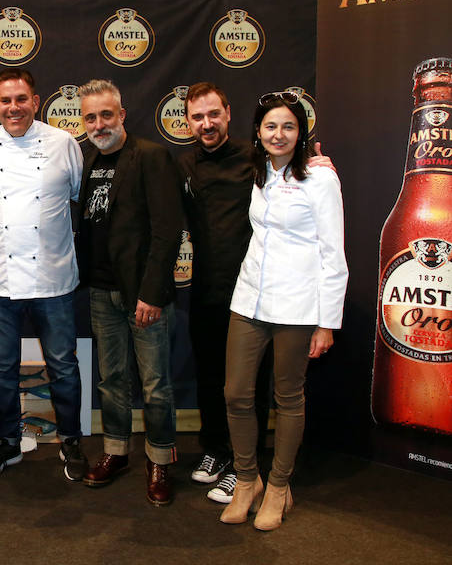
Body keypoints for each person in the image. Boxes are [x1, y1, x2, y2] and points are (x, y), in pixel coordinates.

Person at [220, 91, 347, 531]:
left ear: (301, 132)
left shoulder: (320, 178)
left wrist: (327, 323)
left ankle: (278, 486)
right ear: (257, 131)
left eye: (288, 126)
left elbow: (334, 255)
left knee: (287, 397)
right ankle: (247, 480)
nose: (279, 134)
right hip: (250, 297)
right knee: (236, 394)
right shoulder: (257, 173)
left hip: (297, 305)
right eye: (271, 126)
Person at [0, 68, 87, 481]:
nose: (14, 107)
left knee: (63, 363)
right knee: (2, 366)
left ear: (36, 102)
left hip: (52, 277)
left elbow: (77, 197)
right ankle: (7, 443)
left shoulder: (63, 143)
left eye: (22, 99)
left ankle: (71, 440)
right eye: (6, 100)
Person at [75, 80, 182, 505]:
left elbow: (167, 230)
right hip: (101, 292)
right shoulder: (86, 160)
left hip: (143, 294)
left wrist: (152, 293)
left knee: (156, 385)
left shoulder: (152, 157)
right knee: (111, 380)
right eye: (90, 117)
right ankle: (116, 451)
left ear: (122, 114)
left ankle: (161, 460)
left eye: (106, 114)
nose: (98, 124)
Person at [179, 82, 273, 503]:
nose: (206, 124)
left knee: (248, 384)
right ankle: (216, 450)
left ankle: (245, 464)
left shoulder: (258, 160)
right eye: (197, 117)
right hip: (206, 289)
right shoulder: (183, 164)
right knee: (210, 377)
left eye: (213, 114)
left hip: (254, 290)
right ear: (187, 122)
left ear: (228, 113)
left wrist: (319, 166)